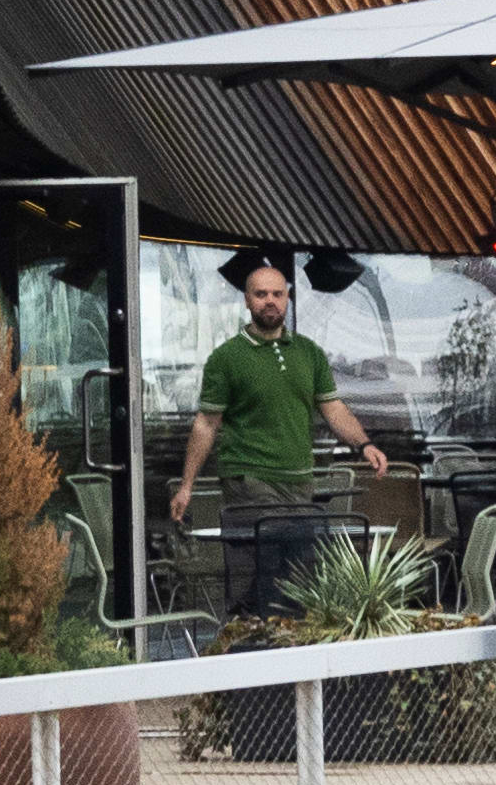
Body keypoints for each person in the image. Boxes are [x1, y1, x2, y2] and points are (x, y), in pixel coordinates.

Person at [169, 244, 398, 594]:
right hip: (249, 478)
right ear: (247, 301)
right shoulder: (226, 357)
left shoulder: (309, 353)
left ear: (288, 299)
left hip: (299, 480)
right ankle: (258, 623)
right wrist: (187, 485)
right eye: (261, 295)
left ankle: (268, 624)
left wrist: (364, 444)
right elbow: (207, 422)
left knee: (299, 573)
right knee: (271, 566)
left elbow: (333, 408)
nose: (270, 301)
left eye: (277, 294)